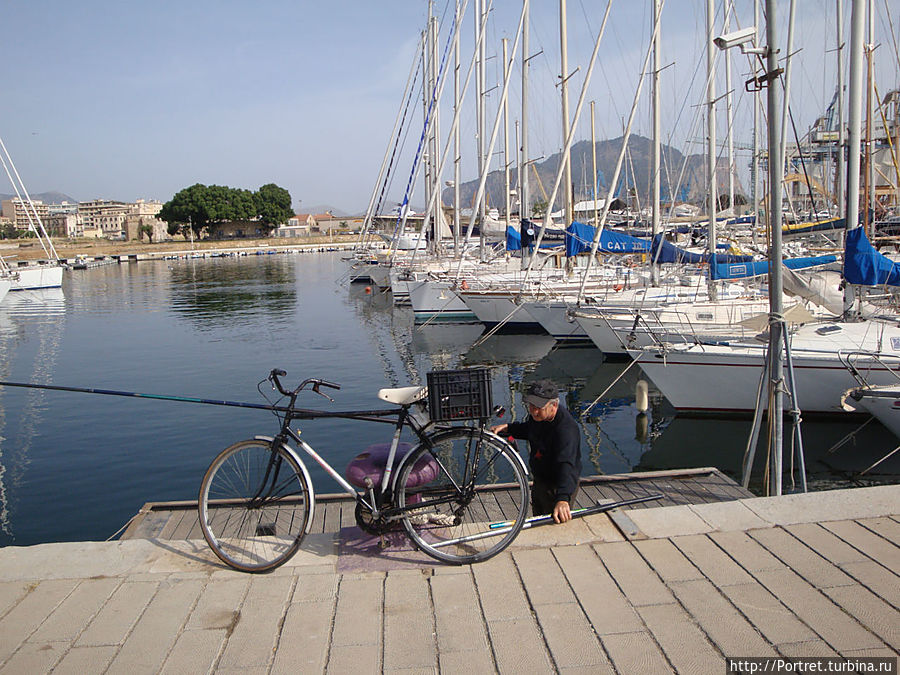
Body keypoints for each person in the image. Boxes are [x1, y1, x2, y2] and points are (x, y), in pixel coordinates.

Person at [490, 379, 581, 524]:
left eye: (538, 407)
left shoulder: (566, 430)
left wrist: (563, 498)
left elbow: (567, 465)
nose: (533, 411)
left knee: (553, 525)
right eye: (531, 405)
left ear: (554, 405)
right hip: (541, 481)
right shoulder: (538, 418)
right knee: (538, 520)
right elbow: (529, 429)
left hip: (557, 485)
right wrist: (508, 428)